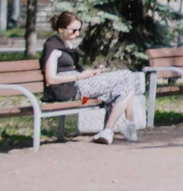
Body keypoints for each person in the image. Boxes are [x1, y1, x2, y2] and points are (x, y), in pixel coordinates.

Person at [40, 10, 149, 143]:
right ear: (61, 29)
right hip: (69, 89)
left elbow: (74, 69)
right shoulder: (52, 46)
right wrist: (79, 77)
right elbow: (50, 79)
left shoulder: (66, 45)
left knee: (125, 85)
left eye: (79, 30)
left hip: (78, 84)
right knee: (126, 76)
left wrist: (89, 73)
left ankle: (109, 131)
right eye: (73, 30)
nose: (77, 34)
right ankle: (125, 126)